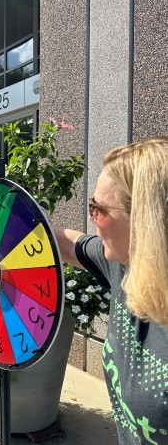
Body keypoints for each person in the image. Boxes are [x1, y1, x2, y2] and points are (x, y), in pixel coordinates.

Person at [55, 136, 168, 444]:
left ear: (146, 219)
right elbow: (67, 242)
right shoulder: (125, 264)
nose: (92, 218)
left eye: (98, 208)